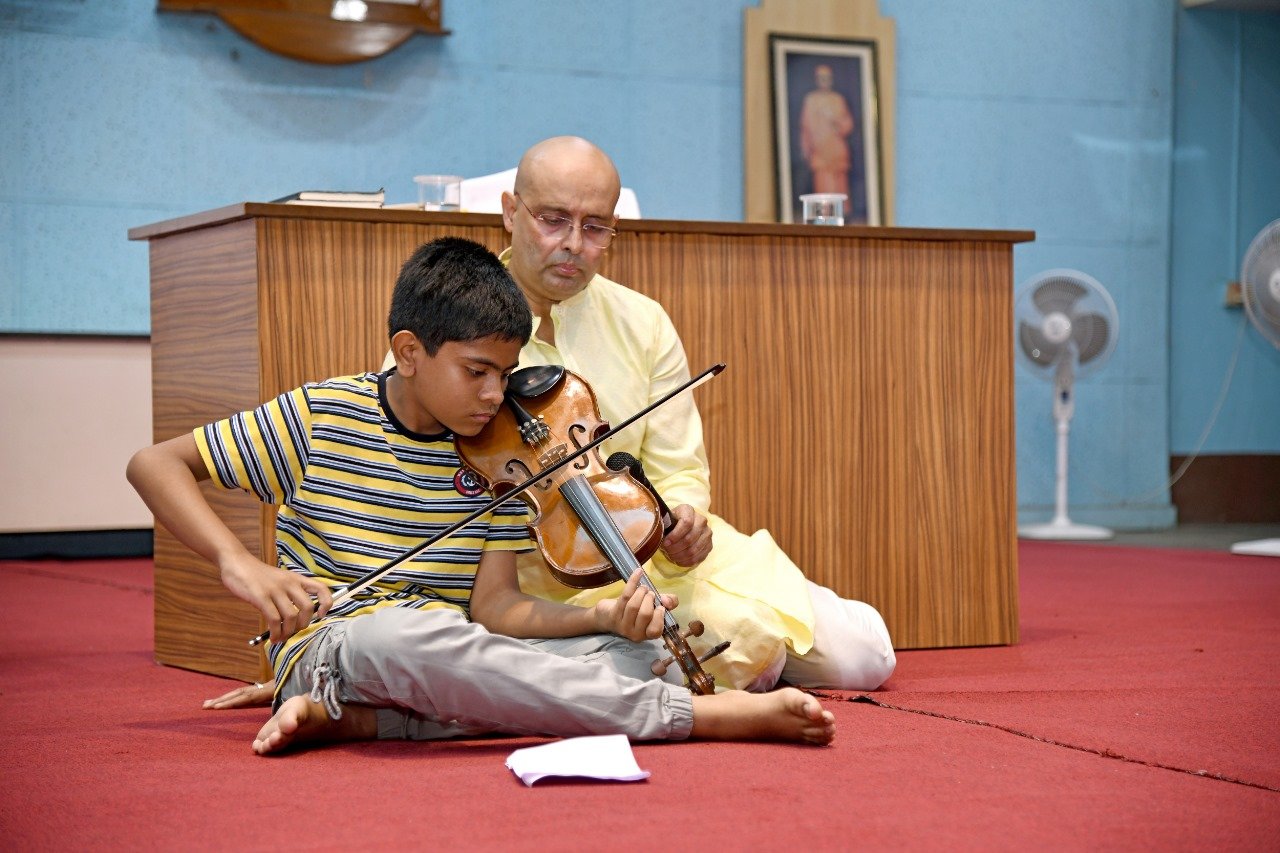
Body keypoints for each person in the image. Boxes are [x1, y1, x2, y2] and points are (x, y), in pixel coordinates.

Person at [132, 236, 834, 754]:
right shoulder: (321, 414)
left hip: (458, 648)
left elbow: (496, 610)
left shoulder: (497, 459)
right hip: (342, 643)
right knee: (400, 636)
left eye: (507, 371)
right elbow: (154, 464)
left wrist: (604, 619)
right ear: (409, 352)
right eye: (477, 372)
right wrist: (238, 564)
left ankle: (374, 721)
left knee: (639, 656)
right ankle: (690, 717)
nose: (497, 395)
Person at [799, 64, 855, 200]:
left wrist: (838, 124)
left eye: (827, 78)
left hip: (837, 152)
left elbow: (848, 124)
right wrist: (806, 149)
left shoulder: (838, 99)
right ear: (817, 80)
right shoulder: (810, 100)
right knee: (824, 194)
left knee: (840, 194)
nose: (824, 81)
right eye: (821, 78)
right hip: (820, 154)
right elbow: (805, 127)